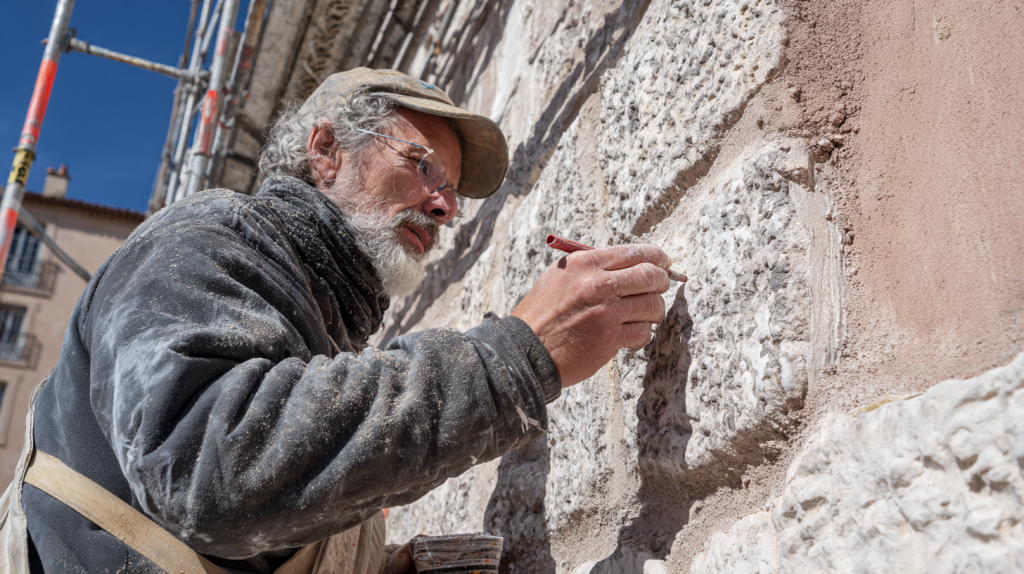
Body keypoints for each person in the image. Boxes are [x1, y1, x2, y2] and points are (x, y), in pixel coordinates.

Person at [0, 68, 671, 574]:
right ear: (325, 150)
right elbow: (208, 471)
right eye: (422, 165)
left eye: (452, 189)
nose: (444, 207)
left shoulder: (317, 325)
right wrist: (517, 359)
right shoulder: (207, 236)